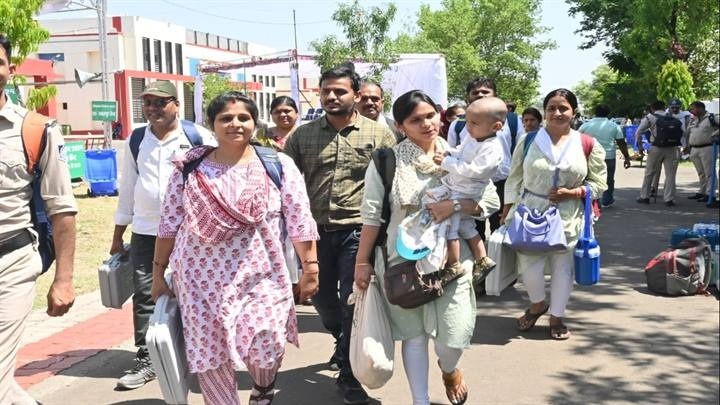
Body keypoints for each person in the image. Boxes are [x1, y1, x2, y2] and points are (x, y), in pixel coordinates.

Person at [150, 91, 320, 405]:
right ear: (212, 125)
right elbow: (169, 224)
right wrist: (158, 273)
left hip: (262, 277)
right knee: (211, 358)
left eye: (243, 118)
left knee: (265, 347)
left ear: (255, 123)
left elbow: (300, 219)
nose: (235, 124)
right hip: (200, 282)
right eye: (225, 118)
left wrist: (310, 267)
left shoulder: (278, 165)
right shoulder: (189, 169)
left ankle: (264, 387)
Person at [354, 90, 500, 405]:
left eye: (430, 115)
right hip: (402, 262)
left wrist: (456, 206)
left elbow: (490, 201)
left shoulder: (462, 154)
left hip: (451, 261)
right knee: (414, 337)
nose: (426, 124)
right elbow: (371, 216)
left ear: (440, 114)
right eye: (415, 120)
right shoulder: (387, 161)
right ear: (401, 125)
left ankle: (449, 369)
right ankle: (420, 400)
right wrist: (362, 263)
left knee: (454, 336)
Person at [283, 63, 396, 405]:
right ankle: (340, 337)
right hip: (313, 234)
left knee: (352, 301)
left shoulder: (379, 135)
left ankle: (349, 376)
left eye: (340, 91)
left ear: (356, 95)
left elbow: (392, 187)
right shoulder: (302, 135)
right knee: (319, 298)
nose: (331, 97)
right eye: (326, 91)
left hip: (357, 233)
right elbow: (286, 182)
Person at [110, 80, 215, 389]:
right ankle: (147, 358)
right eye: (149, 103)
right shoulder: (137, 138)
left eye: (161, 102)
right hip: (145, 231)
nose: (154, 109)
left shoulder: (198, 137)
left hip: (189, 232)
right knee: (146, 294)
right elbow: (128, 187)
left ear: (176, 104)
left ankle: (198, 353)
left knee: (194, 293)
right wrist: (118, 234)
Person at [0, 34, 78, 404]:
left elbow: (62, 207)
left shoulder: (35, 129)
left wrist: (64, 279)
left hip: (11, 264)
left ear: (10, 69)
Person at [501, 88, 607, 341]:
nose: (557, 113)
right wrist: (507, 209)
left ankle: (557, 316)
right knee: (529, 268)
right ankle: (538, 304)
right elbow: (514, 177)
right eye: (551, 108)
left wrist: (574, 192)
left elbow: (600, 184)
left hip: (568, 216)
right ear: (545, 111)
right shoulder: (528, 141)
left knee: (563, 268)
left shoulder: (587, 144)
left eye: (563, 108)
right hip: (530, 212)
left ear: (573, 111)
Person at [428, 97, 506, 286]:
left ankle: (453, 265)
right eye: (467, 121)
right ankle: (483, 258)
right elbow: (461, 151)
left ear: (495, 126)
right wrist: (450, 154)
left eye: (474, 123)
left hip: (465, 190)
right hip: (456, 185)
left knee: (450, 225)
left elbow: (475, 170)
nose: (468, 127)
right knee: (466, 226)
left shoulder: (492, 149)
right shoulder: (474, 137)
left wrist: (448, 163)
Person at [579, 104, 632, 207]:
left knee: (589, 178)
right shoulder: (614, 126)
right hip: (609, 157)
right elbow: (621, 143)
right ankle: (607, 200)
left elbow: (576, 140)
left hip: (590, 157)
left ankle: (592, 199)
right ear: (608, 113)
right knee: (609, 179)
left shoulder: (585, 126)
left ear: (595, 112)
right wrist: (626, 158)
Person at [635, 100, 680, 207]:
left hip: (656, 148)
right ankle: (669, 198)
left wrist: (640, 147)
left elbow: (639, 132)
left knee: (650, 172)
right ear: (664, 107)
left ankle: (644, 196)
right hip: (672, 148)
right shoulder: (673, 116)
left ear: (652, 108)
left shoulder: (650, 117)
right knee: (671, 175)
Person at [683, 101, 720, 205]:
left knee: (709, 172)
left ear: (700, 108)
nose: (692, 111)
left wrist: (715, 134)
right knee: (701, 172)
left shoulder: (712, 118)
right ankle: (702, 192)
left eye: (693, 108)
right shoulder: (693, 120)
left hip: (707, 147)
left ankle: (711, 194)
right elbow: (689, 133)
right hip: (694, 148)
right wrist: (688, 146)